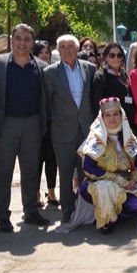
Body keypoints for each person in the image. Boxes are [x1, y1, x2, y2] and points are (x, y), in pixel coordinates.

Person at [59, 97, 137, 234]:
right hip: (98, 184)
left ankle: (109, 217)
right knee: (106, 187)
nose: (112, 118)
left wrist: (134, 179)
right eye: (107, 115)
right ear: (102, 117)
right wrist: (116, 179)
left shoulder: (128, 136)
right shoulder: (96, 138)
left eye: (115, 114)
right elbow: (88, 167)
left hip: (125, 184)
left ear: (121, 115)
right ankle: (106, 222)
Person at [0, 23, 50, 232]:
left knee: (31, 171)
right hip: (6, 124)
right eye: (18, 38)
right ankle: (2, 216)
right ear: (11, 40)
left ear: (32, 42)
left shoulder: (42, 67)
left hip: (33, 123)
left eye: (27, 39)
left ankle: (31, 210)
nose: (22, 43)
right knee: (4, 172)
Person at [43, 34, 96, 223]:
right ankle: (67, 209)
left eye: (70, 46)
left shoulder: (89, 69)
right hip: (62, 131)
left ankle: (86, 208)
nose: (67, 50)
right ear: (58, 50)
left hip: (85, 129)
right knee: (65, 173)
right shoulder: (49, 73)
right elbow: (46, 103)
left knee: (86, 172)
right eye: (62, 47)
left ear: (77, 49)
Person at [32, 39, 58, 208]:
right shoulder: (32, 72)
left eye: (47, 52)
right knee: (37, 160)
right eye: (41, 52)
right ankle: (36, 194)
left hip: (53, 123)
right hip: (36, 124)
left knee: (52, 159)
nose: (45, 55)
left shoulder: (53, 72)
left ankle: (52, 192)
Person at [92, 43, 135, 123]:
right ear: (106, 57)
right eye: (112, 55)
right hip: (111, 124)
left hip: (127, 122)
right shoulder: (100, 76)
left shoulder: (123, 74)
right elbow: (97, 105)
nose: (116, 58)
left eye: (119, 55)